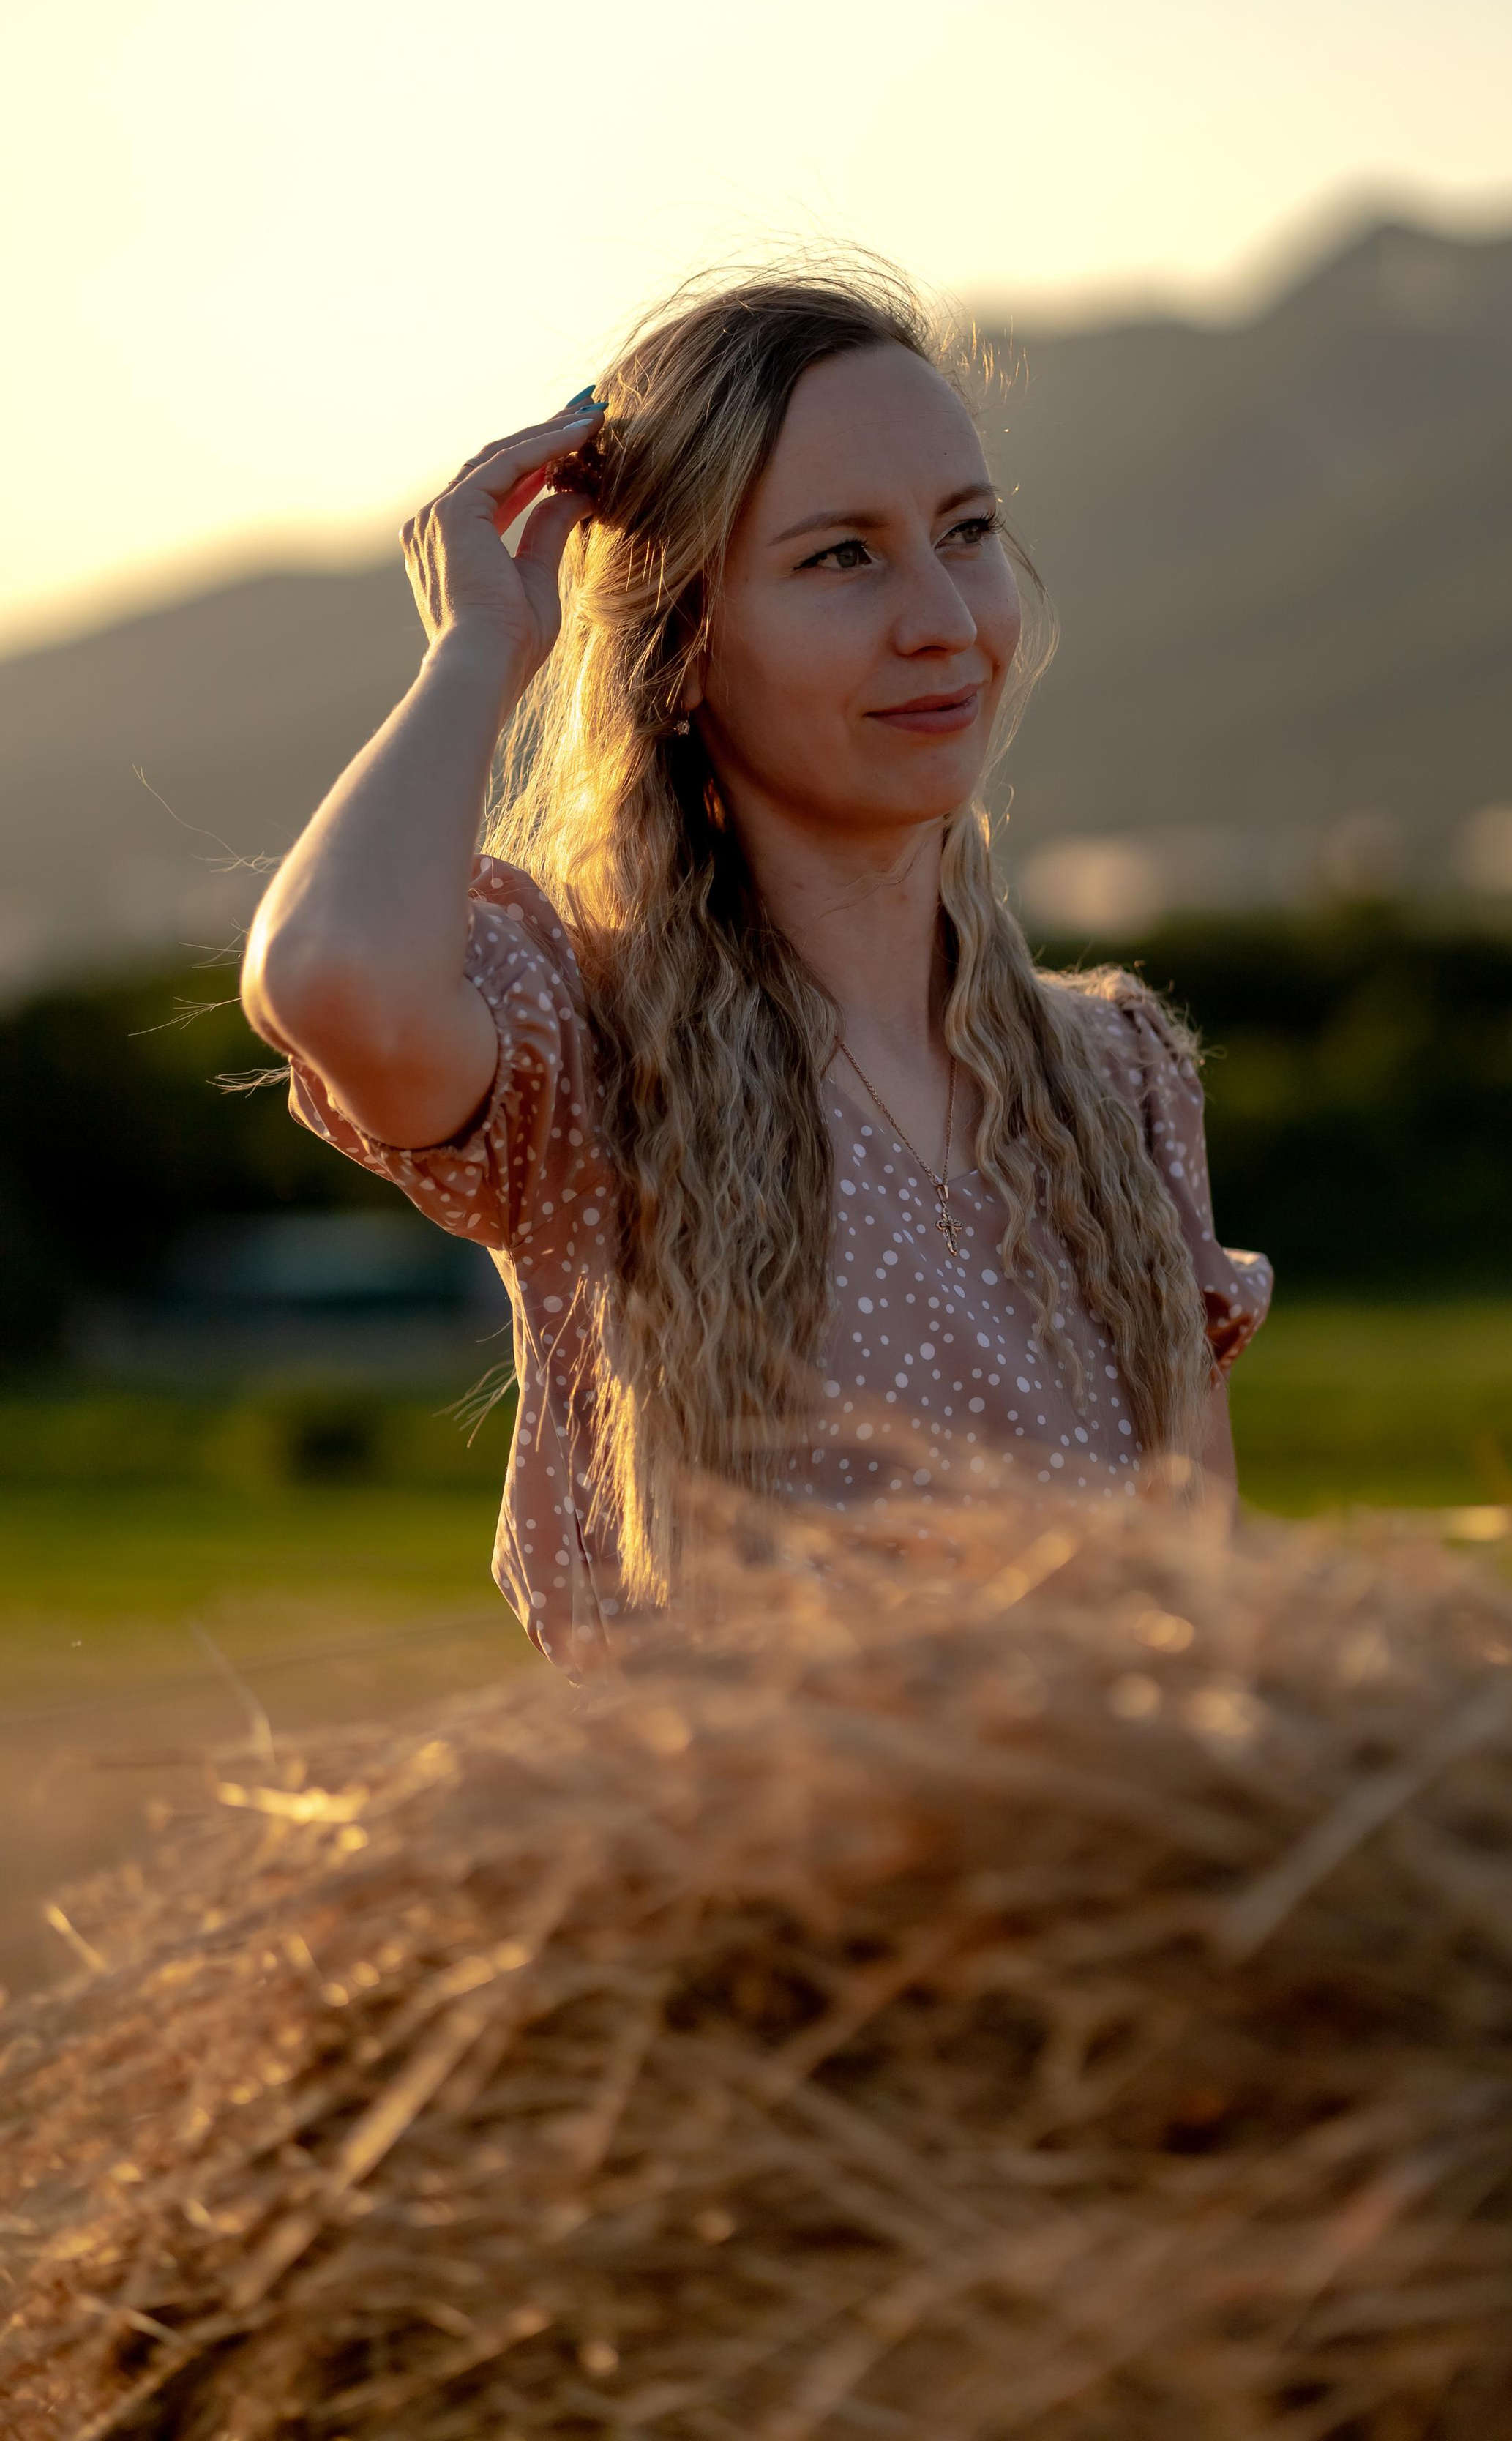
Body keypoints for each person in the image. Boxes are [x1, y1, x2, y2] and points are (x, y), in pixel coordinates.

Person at [240, 261, 1271, 1670]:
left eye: (966, 532)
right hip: (733, 1824)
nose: (944, 619)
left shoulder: (1117, 1080)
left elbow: (1212, 1621)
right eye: (842, 556)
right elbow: (333, 978)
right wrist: (481, 644)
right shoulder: (585, 1052)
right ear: (680, 648)